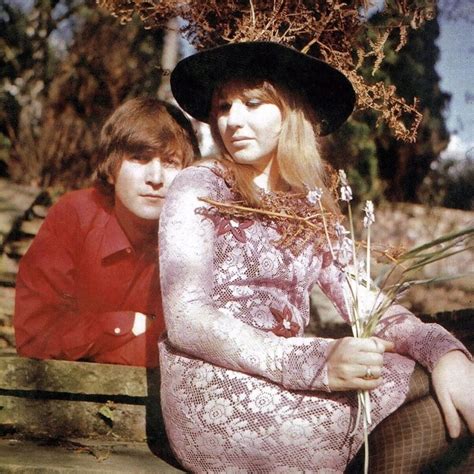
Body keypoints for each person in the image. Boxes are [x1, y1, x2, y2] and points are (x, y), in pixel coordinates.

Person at [157, 42, 473, 472]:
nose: (232, 120)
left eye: (252, 103)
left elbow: (366, 301)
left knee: (444, 393)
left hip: (299, 379)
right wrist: (312, 362)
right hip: (218, 391)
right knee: (429, 402)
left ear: (292, 112)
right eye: (224, 106)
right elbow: (187, 319)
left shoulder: (311, 208)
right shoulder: (200, 184)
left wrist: (446, 352)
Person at [14, 97, 200, 367]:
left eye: (170, 162)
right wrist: (124, 324)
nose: (156, 178)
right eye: (140, 158)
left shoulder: (196, 234)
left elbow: (189, 354)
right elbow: (34, 338)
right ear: (111, 169)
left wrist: (98, 347)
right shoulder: (75, 216)